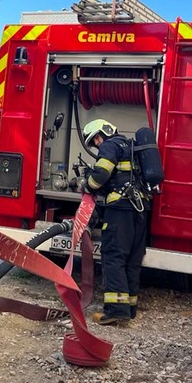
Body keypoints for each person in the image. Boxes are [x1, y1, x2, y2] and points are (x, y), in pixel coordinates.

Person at [81, 119, 149, 325]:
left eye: (95, 141)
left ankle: (116, 310)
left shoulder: (110, 145)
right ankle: (129, 308)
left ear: (100, 134)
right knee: (132, 260)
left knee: (113, 256)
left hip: (120, 210)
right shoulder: (131, 146)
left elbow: (100, 175)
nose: (97, 145)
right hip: (140, 210)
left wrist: (87, 185)